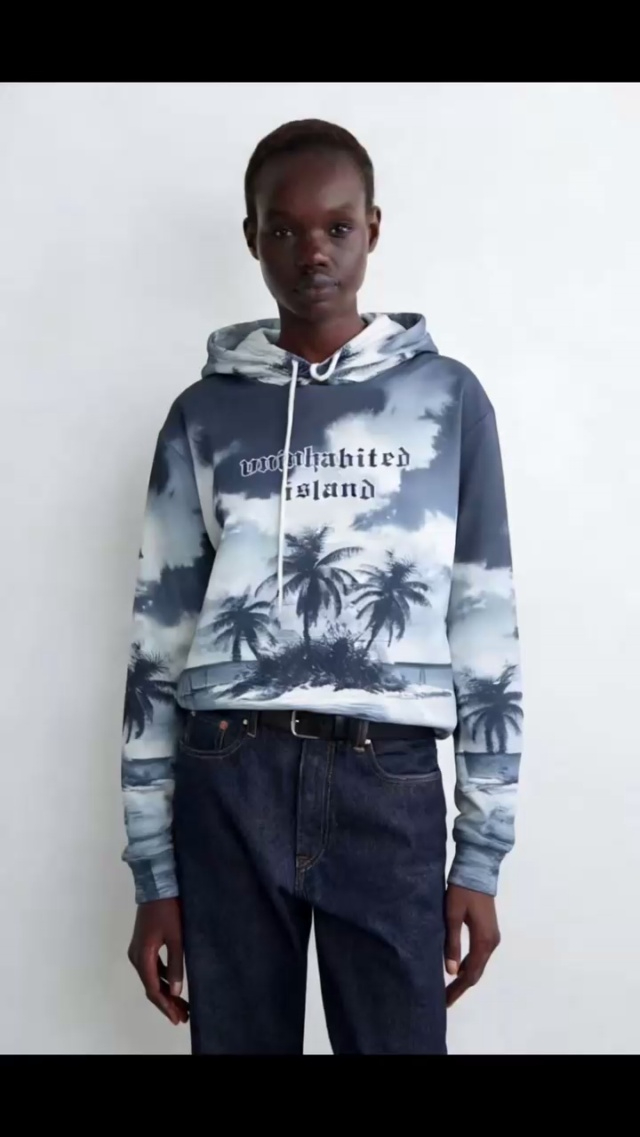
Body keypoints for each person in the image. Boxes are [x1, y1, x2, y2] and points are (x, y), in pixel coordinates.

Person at [121, 118, 523, 1055]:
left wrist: (482, 855)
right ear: (252, 237)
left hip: (390, 783)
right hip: (228, 777)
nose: (313, 253)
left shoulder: (447, 399)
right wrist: (154, 875)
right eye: (285, 229)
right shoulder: (202, 414)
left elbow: (486, 625)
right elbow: (157, 645)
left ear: (372, 228)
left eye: (337, 227)